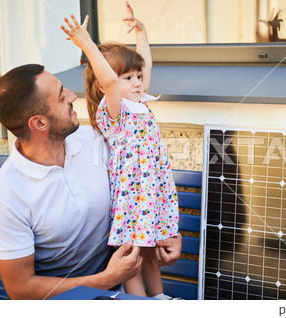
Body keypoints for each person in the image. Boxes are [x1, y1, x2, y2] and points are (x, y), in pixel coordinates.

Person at [0, 62, 182, 300]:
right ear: (39, 123)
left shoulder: (98, 140)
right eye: (61, 97)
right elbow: (21, 289)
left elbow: (144, 184)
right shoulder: (6, 195)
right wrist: (107, 278)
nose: (72, 97)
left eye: (65, 88)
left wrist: (167, 233)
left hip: (117, 294)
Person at [61, 2, 179, 299]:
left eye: (137, 77)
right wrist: (86, 44)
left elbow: (146, 65)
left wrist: (142, 32)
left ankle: (158, 299)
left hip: (154, 190)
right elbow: (111, 80)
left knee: (150, 252)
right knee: (133, 258)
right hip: (133, 194)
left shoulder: (139, 103)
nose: (137, 82)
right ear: (105, 85)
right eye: (129, 78)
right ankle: (136, 303)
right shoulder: (113, 110)